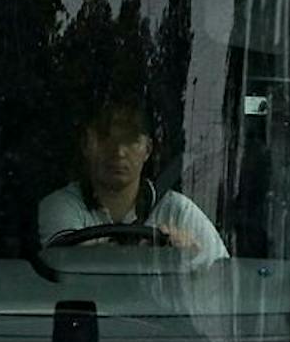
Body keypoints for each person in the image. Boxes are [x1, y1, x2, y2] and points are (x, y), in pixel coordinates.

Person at [36, 97, 227, 263]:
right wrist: (154, 258)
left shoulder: (178, 210)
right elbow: (65, 262)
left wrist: (190, 259)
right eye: (106, 138)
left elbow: (223, 277)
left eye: (130, 140)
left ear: (148, 150)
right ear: (86, 145)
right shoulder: (60, 206)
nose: (118, 152)